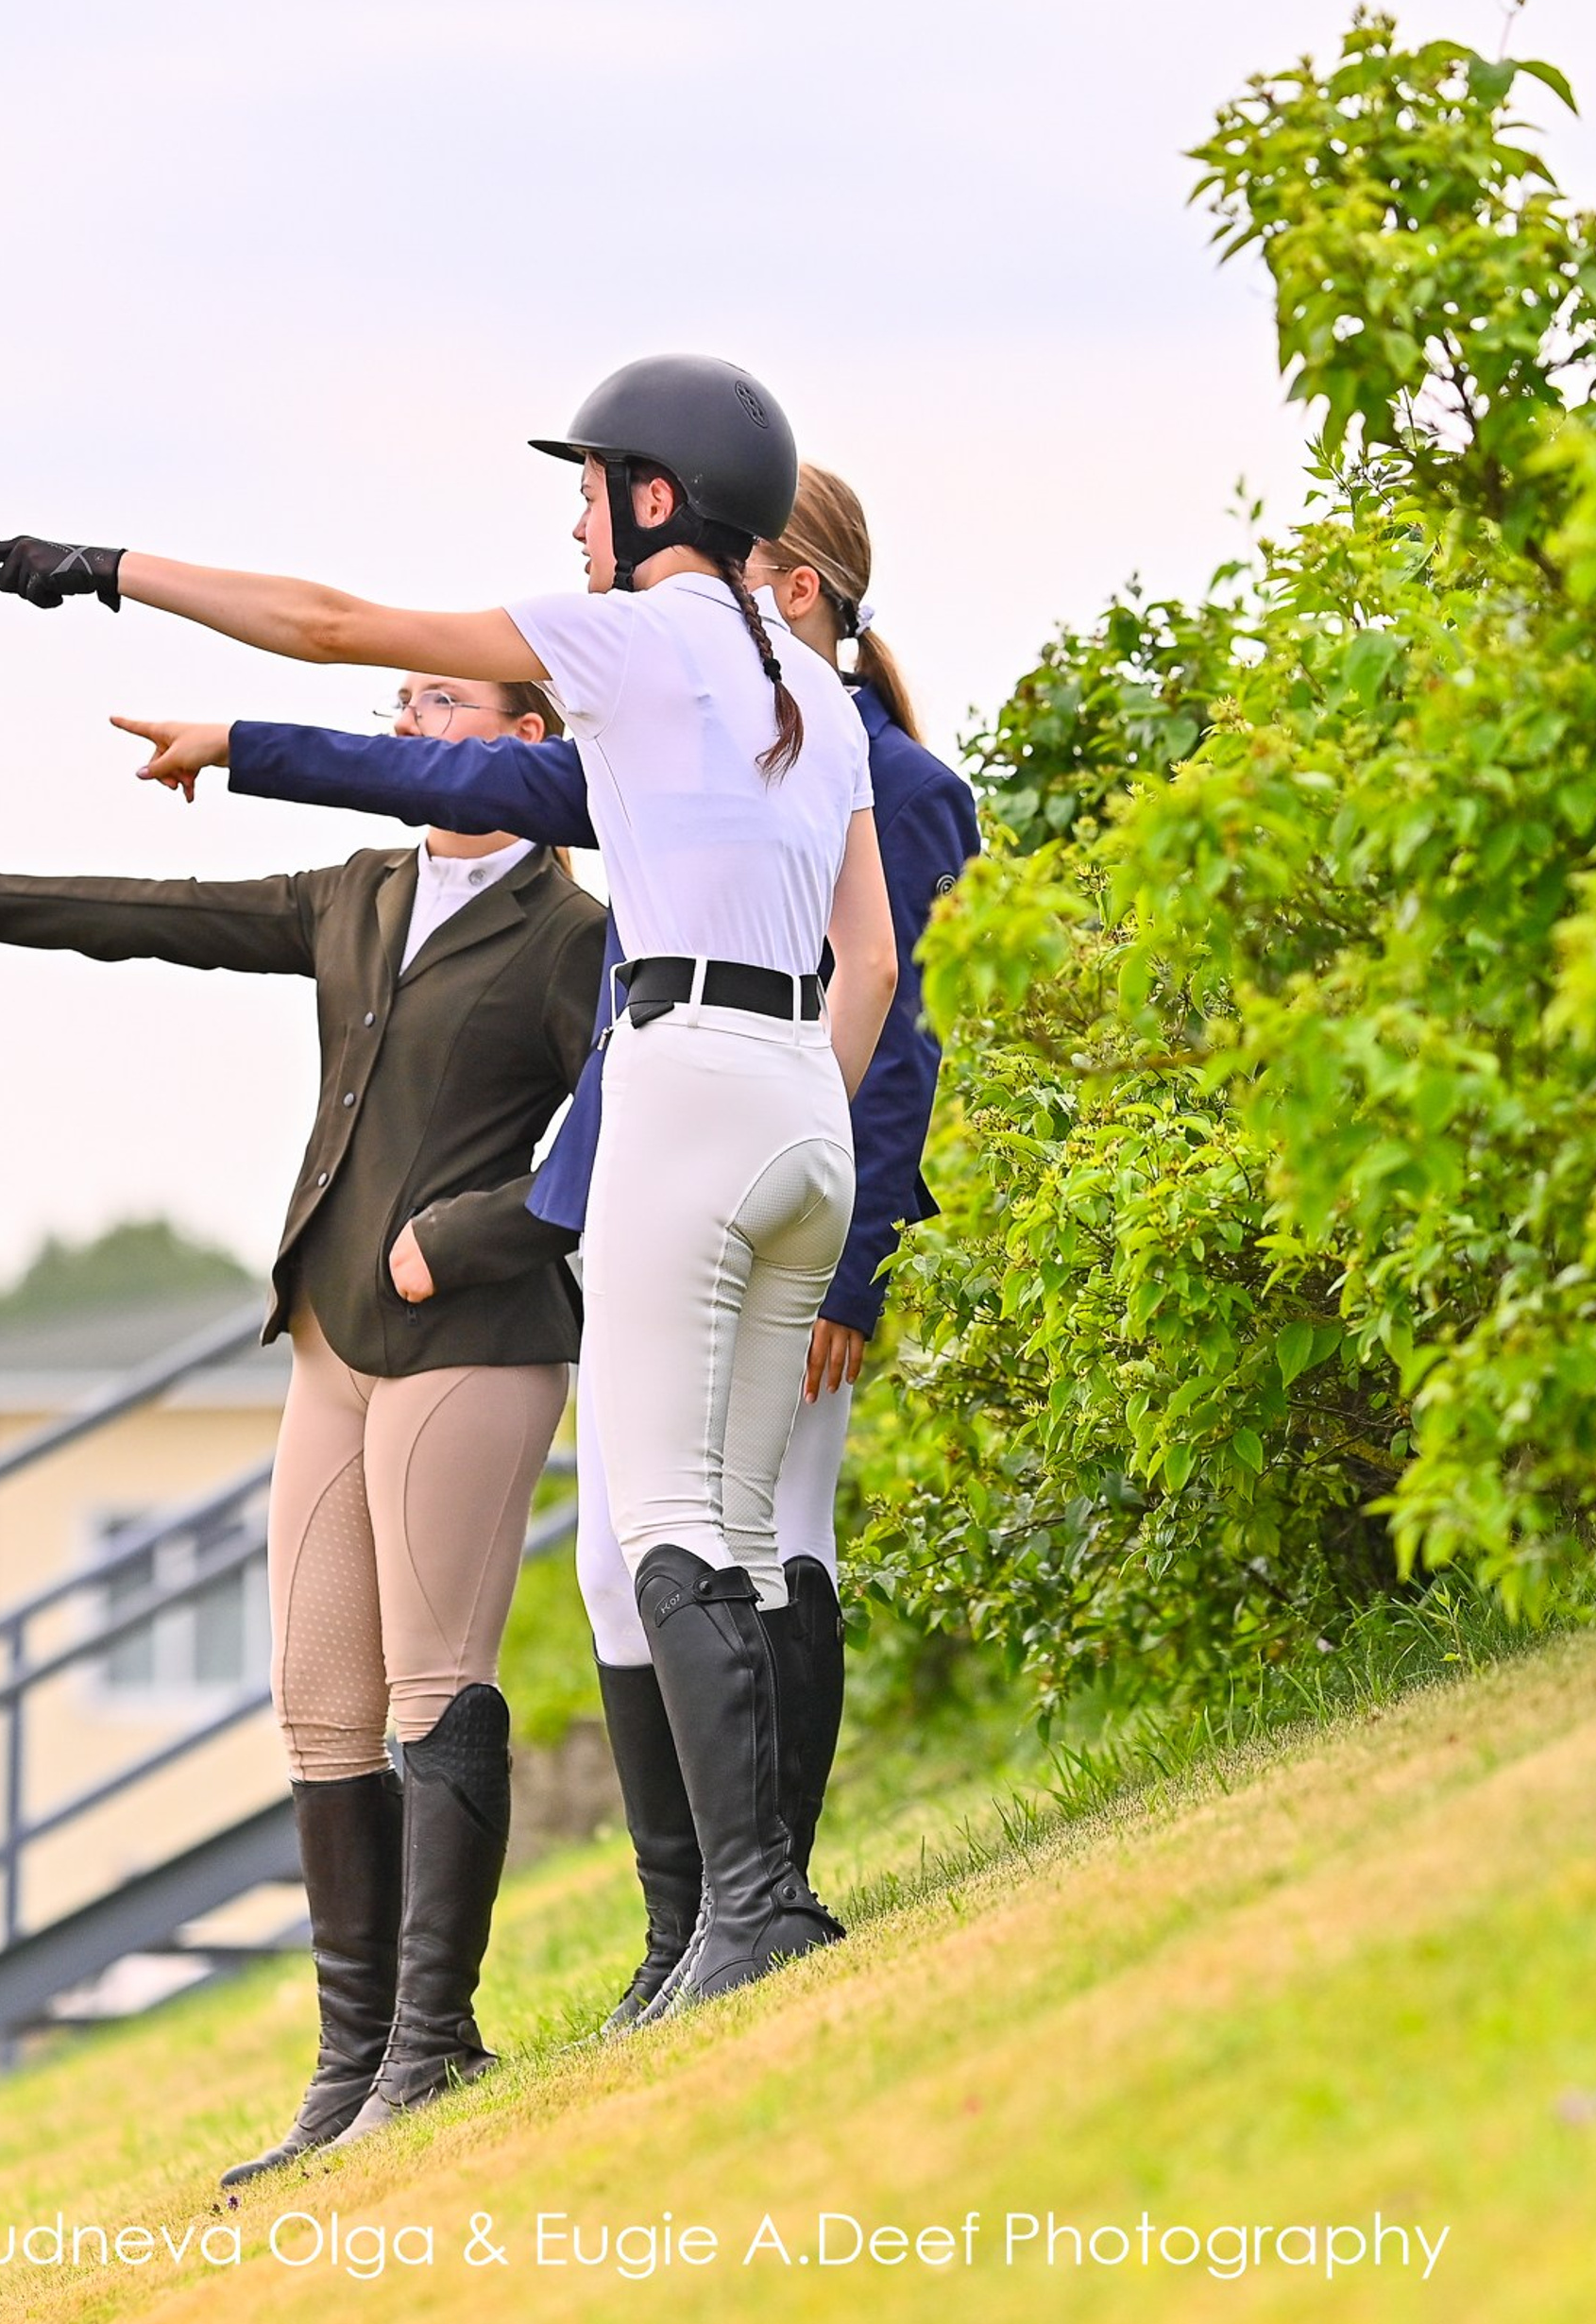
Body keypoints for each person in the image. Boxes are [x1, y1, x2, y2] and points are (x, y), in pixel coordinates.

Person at [0, 354, 901, 2016]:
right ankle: (766, 1901)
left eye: (591, 487)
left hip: (682, 1076)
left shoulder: (633, 637)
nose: (575, 519)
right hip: (800, 1096)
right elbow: (866, 949)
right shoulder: (818, 697)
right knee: (744, 1524)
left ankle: (742, 1913)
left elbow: (330, 621)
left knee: (665, 1519)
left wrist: (108, 570)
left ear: (655, 496)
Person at [149, 462, 980, 2028]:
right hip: (684, 1167)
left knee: (743, 1529)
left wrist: (851, 1256)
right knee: (642, 1551)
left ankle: (758, 1890)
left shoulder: (864, 771)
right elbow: (514, 800)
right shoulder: (692, 738)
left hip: (758, 1165)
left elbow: (891, 1019)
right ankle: (699, 1924)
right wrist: (250, 747)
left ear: (788, 588)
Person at [0, 671, 605, 2175]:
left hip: (471, 1343)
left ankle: (431, 2046)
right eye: (401, 700)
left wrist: (476, 1232)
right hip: (328, 1343)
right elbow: (155, 914)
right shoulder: (357, 890)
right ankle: (350, 2061)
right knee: (317, 1700)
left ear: (530, 741)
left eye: (438, 702)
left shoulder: (571, 936)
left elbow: (626, 1121)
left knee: (436, 1688)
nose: (406, 721)